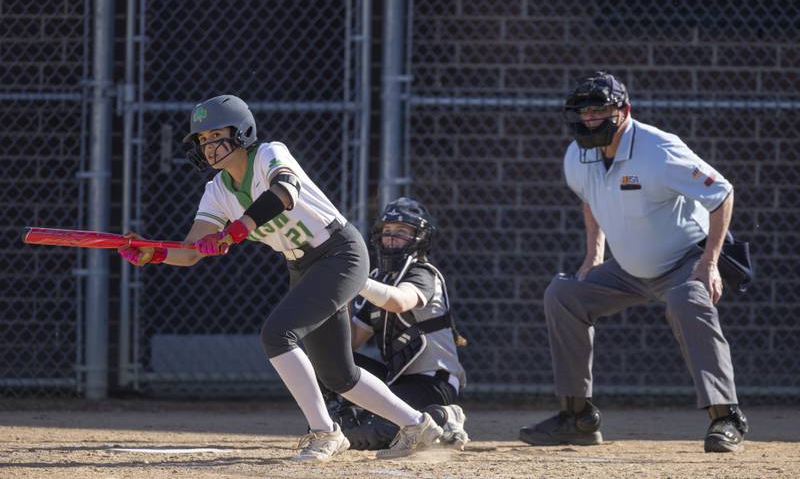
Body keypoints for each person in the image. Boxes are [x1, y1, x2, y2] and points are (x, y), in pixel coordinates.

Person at [117, 94, 444, 461]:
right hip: (303, 266)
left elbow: (284, 193)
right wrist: (154, 253)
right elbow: (192, 249)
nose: (209, 147)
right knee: (338, 374)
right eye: (203, 141)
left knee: (277, 334)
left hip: (340, 252)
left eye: (216, 136)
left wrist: (235, 232)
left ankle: (325, 432)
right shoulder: (218, 190)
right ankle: (419, 426)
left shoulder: (270, 154)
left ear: (242, 132)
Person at [519, 72, 749, 453]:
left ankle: (726, 418)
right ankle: (577, 418)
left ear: (624, 111)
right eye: (583, 111)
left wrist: (709, 262)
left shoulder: (659, 150)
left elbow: (721, 193)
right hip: (627, 267)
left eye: (600, 110)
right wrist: (595, 254)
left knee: (687, 301)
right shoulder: (578, 153)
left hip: (682, 260)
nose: (590, 119)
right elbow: (589, 198)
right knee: (563, 294)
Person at [325, 197, 469, 451]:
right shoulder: (379, 278)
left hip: (434, 383)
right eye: (387, 232)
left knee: (372, 433)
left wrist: (357, 282)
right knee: (326, 357)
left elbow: (400, 301)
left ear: (420, 239)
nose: (391, 238)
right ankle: (342, 418)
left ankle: (443, 417)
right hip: (398, 380)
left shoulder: (422, 272)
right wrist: (341, 297)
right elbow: (350, 343)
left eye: (401, 232)